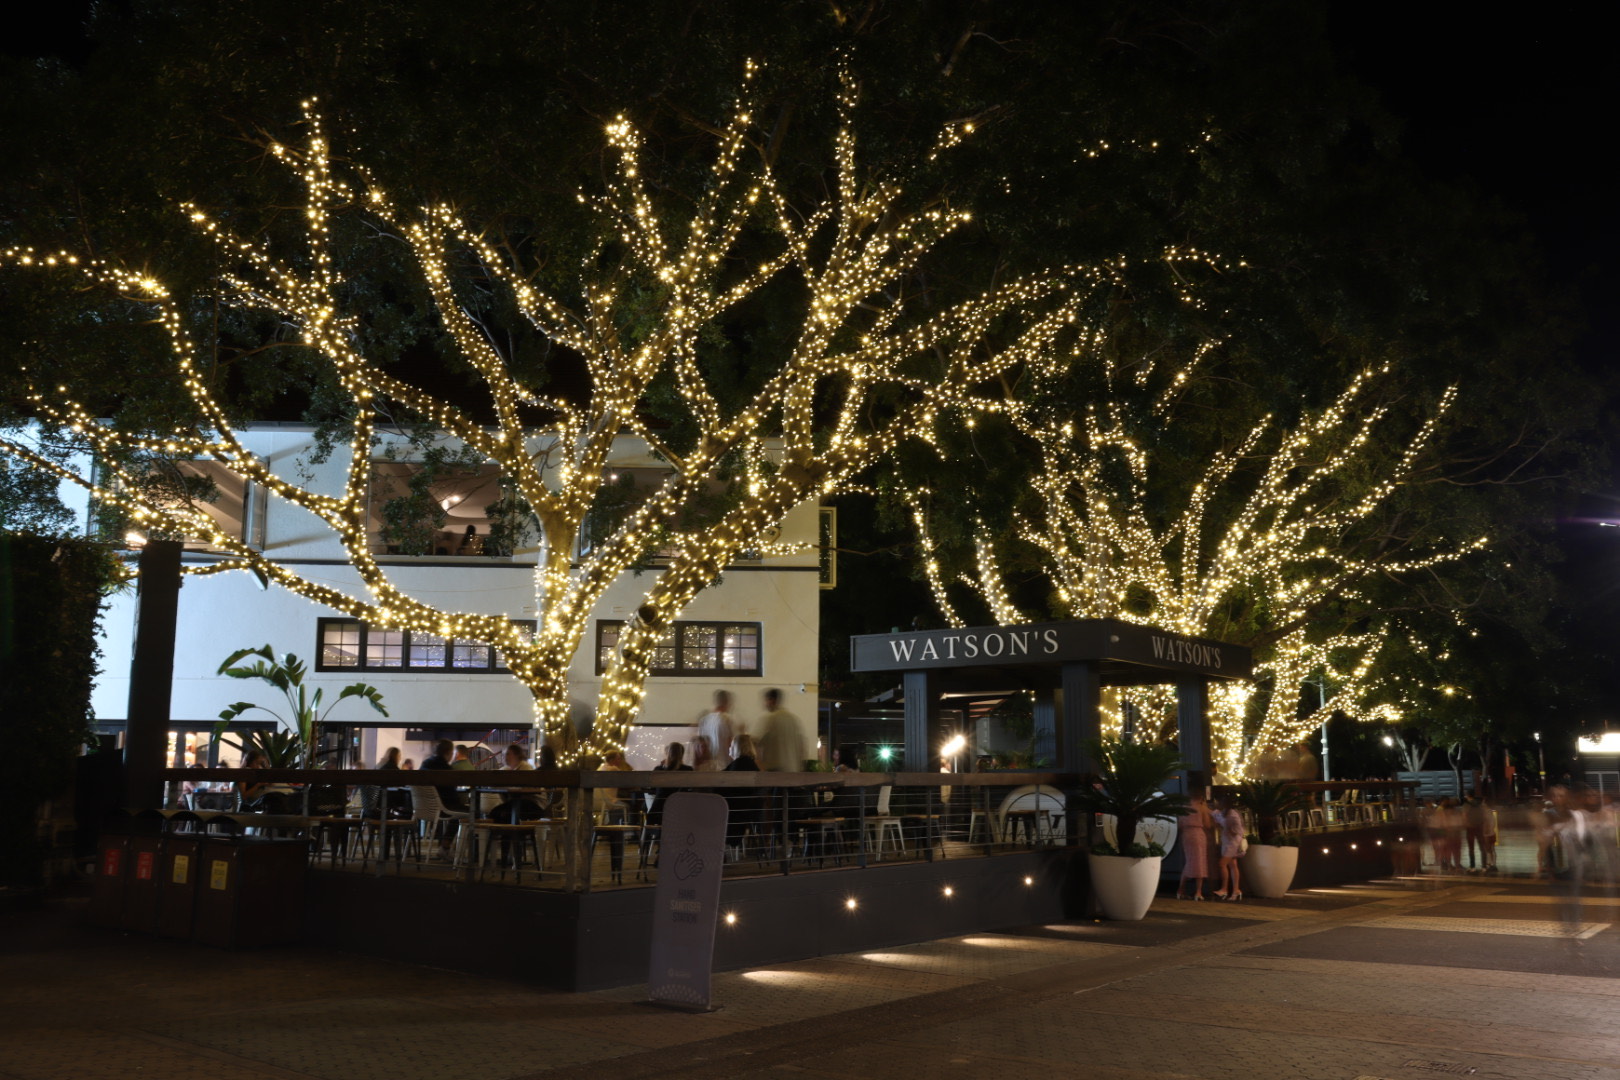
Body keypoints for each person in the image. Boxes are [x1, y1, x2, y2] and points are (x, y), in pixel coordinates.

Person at [1177, 793, 1216, 900]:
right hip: (1198, 834)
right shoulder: (1201, 808)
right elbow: (1207, 824)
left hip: (1186, 834)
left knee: (1189, 861)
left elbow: (1180, 824)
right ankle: (1198, 892)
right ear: (1201, 798)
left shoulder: (1183, 808)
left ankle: (1180, 890)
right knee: (1200, 862)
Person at [758, 688, 806, 771]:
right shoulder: (793, 719)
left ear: (772, 700)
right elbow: (802, 745)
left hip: (776, 769)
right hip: (792, 768)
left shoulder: (771, 718)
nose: (765, 704)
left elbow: (759, 743)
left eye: (766, 700)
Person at [421, 739, 468, 813]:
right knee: (474, 811)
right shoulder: (446, 769)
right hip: (445, 807)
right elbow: (451, 794)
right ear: (449, 752)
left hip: (425, 806)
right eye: (452, 753)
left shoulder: (425, 764)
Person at [1213, 796, 1244, 901]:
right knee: (1233, 865)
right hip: (1229, 842)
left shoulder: (1231, 815)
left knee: (1222, 864)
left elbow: (1228, 827)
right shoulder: (1227, 813)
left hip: (1232, 843)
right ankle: (1236, 890)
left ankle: (1224, 889)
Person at [698, 690, 735, 767]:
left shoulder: (704, 720)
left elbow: (700, 744)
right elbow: (730, 744)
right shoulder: (727, 719)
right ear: (727, 702)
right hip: (725, 763)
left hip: (708, 764)